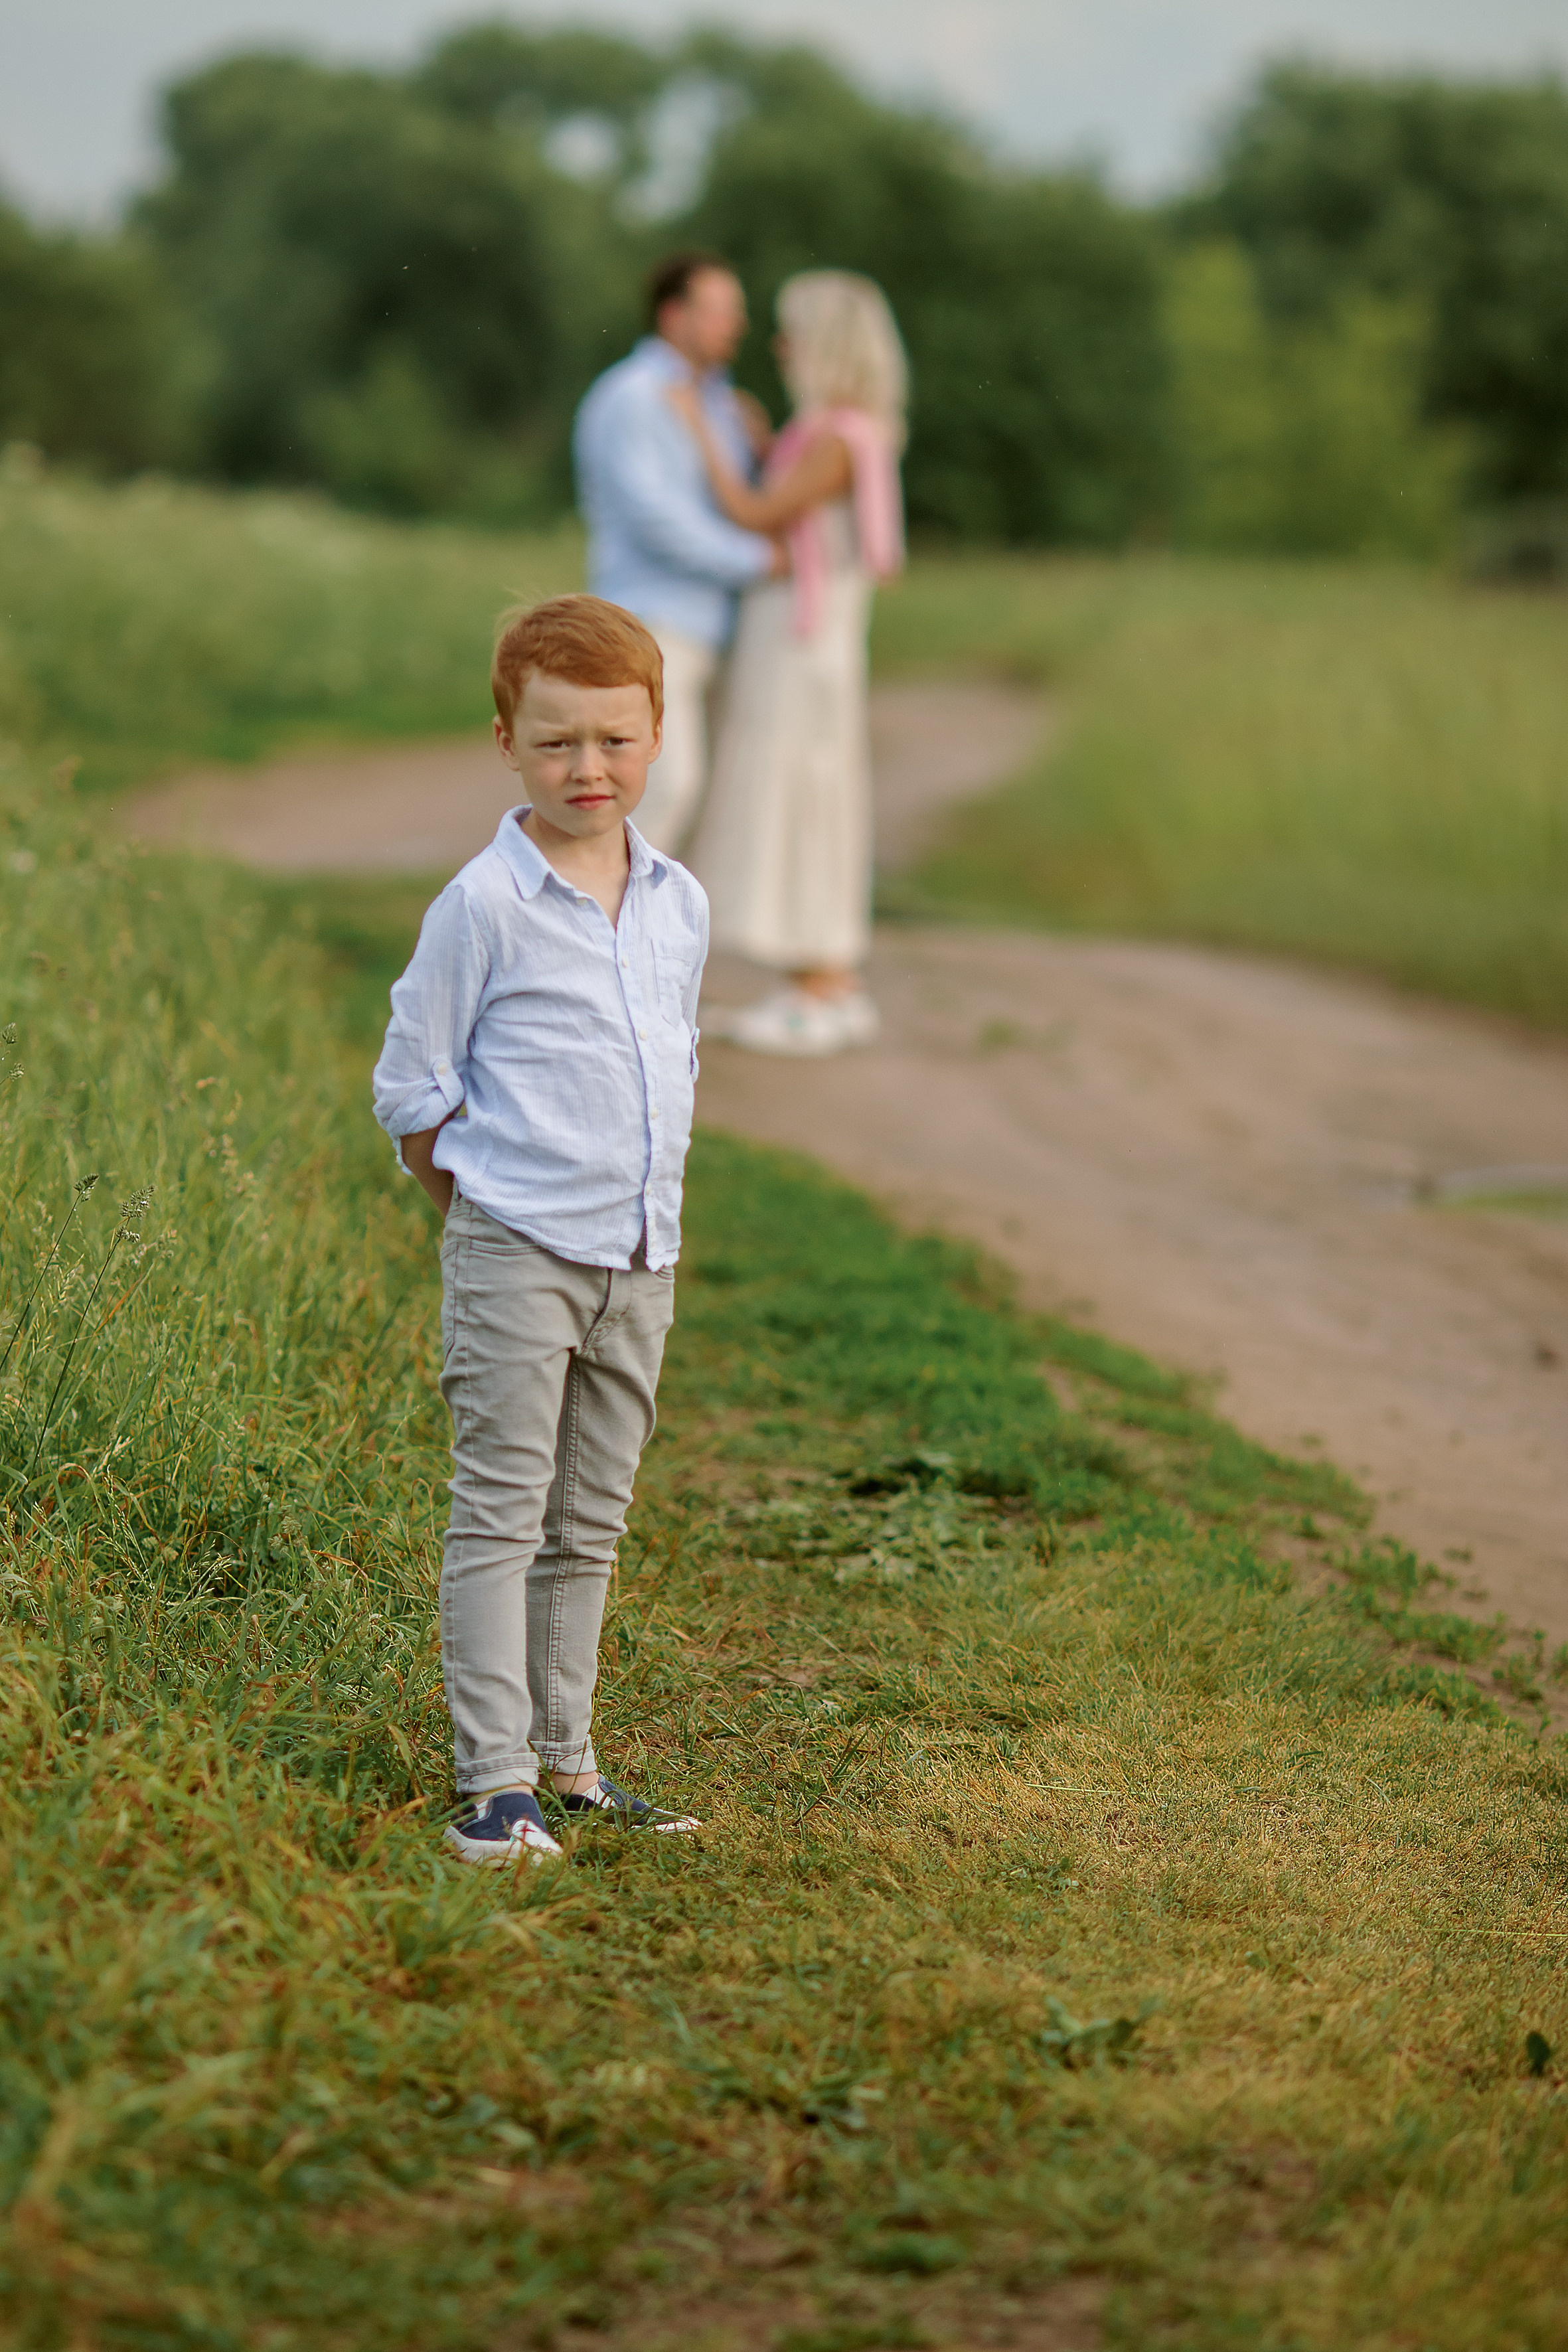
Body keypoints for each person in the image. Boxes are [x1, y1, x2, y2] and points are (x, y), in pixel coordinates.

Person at [372, 594, 707, 1867]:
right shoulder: (484, 905)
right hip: (519, 1251)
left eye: (615, 742)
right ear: (506, 739)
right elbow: (413, 1089)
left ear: (657, 735)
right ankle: (491, 1785)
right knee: (502, 1511)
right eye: (558, 741)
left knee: (590, 1521)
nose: (589, 769)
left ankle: (569, 1761)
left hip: (640, 1259)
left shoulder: (677, 902)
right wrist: (489, 1219)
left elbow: (670, 1061)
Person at [673, 270, 907, 1056]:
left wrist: (700, 430)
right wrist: (763, 438)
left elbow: (758, 512)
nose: (780, 346)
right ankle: (822, 972)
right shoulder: (836, 435)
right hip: (805, 636)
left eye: (792, 334)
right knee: (807, 787)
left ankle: (819, 979)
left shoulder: (841, 437)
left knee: (802, 785)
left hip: (802, 643)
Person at [573, 250, 781, 853]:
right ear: (672, 315)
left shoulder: (722, 403)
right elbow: (655, 519)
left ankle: (655, 943)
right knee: (661, 790)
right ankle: (600, 935)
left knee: (699, 806)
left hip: (710, 624)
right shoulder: (633, 397)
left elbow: (736, 500)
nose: (735, 325)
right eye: (719, 310)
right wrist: (756, 560)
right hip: (650, 620)